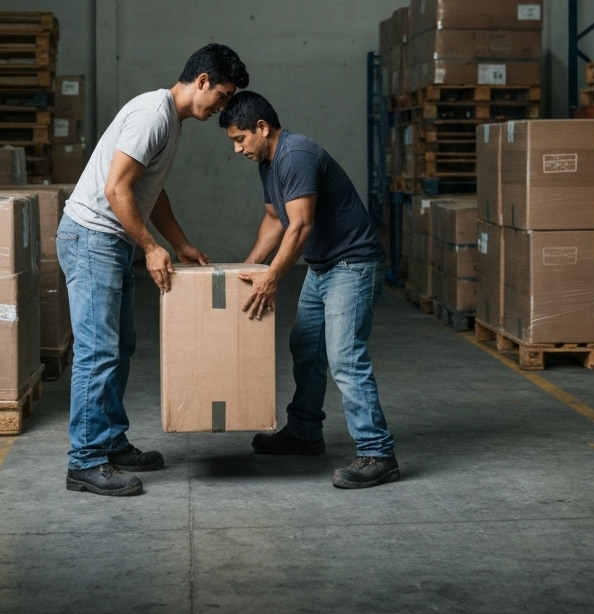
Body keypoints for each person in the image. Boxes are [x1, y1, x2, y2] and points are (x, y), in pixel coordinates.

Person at [57, 44, 249, 498]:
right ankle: (84, 461)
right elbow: (116, 188)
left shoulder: (169, 121)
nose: (223, 106)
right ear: (201, 80)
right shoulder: (152, 114)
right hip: (92, 238)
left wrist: (178, 244)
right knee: (97, 352)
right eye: (221, 95)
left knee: (120, 347)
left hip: (111, 241)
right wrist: (150, 247)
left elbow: (150, 192)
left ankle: (109, 441)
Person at [219, 91, 399, 490]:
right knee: (306, 348)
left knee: (345, 357)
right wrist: (248, 267)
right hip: (323, 268)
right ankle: (303, 433)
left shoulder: (297, 154)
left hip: (353, 265)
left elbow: (300, 225)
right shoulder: (268, 162)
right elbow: (275, 220)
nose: (236, 148)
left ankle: (377, 453)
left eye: (240, 138)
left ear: (262, 128)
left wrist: (273, 277)